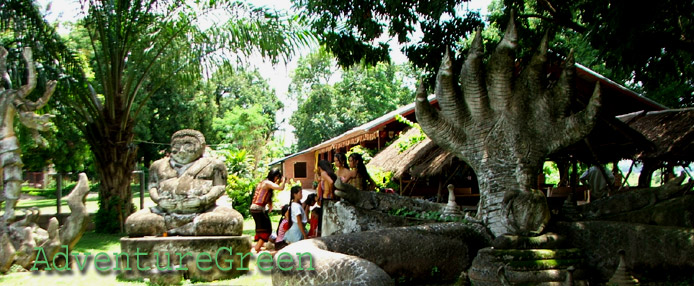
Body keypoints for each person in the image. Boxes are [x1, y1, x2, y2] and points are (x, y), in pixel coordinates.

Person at [125, 129, 243, 236]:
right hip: (164, 213)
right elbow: (152, 187)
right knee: (133, 223)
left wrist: (203, 200)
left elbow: (219, 187)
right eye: (177, 145)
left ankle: (183, 229)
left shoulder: (214, 165)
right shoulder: (158, 165)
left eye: (188, 145)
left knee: (233, 221)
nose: (181, 151)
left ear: (200, 147)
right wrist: (159, 200)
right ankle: (182, 228)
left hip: (203, 212)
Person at [251, 169, 286, 252]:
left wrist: (270, 205)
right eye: (277, 178)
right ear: (275, 176)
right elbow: (281, 188)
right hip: (258, 209)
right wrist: (284, 181)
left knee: (262, 229)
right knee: (266, 230)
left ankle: (258, 247)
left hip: (256, 209)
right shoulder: (267, 183)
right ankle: (256, 249)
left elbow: (268, 194)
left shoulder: (264, 182)